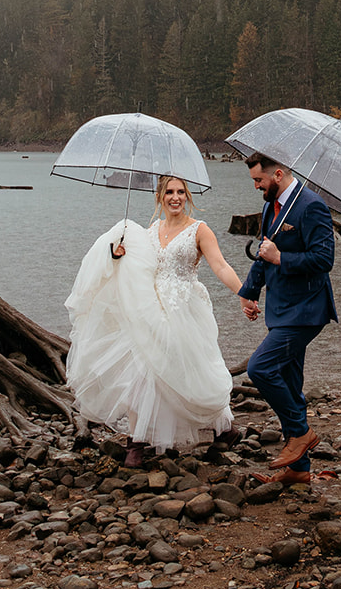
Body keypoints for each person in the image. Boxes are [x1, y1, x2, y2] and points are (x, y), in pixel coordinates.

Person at [64, 175, 243, 466]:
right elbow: (136, 268)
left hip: (185, 309)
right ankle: (137, 441)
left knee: (192, 371)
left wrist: (244, 293)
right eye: (169, 192)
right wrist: (117, 254)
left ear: (187, 196)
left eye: (181, 192)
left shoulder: (199, 230)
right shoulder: (149, 232)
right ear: (160, 197)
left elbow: (220, 266)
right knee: (143, 369)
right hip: (149, 309)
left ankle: (224, 427)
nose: (175, 197)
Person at [237, 152, 337, 484]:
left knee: (260, 368)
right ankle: (299, 470)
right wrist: (249, 291)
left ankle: (301, 433)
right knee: (291, 382)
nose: (255, 187)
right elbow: (265, 253)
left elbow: (324, 259)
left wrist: (282, 257)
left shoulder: (312, 206)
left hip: (307, 309)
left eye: (259, 181)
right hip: (280, 308)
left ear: (277, 175)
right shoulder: (270, 207)